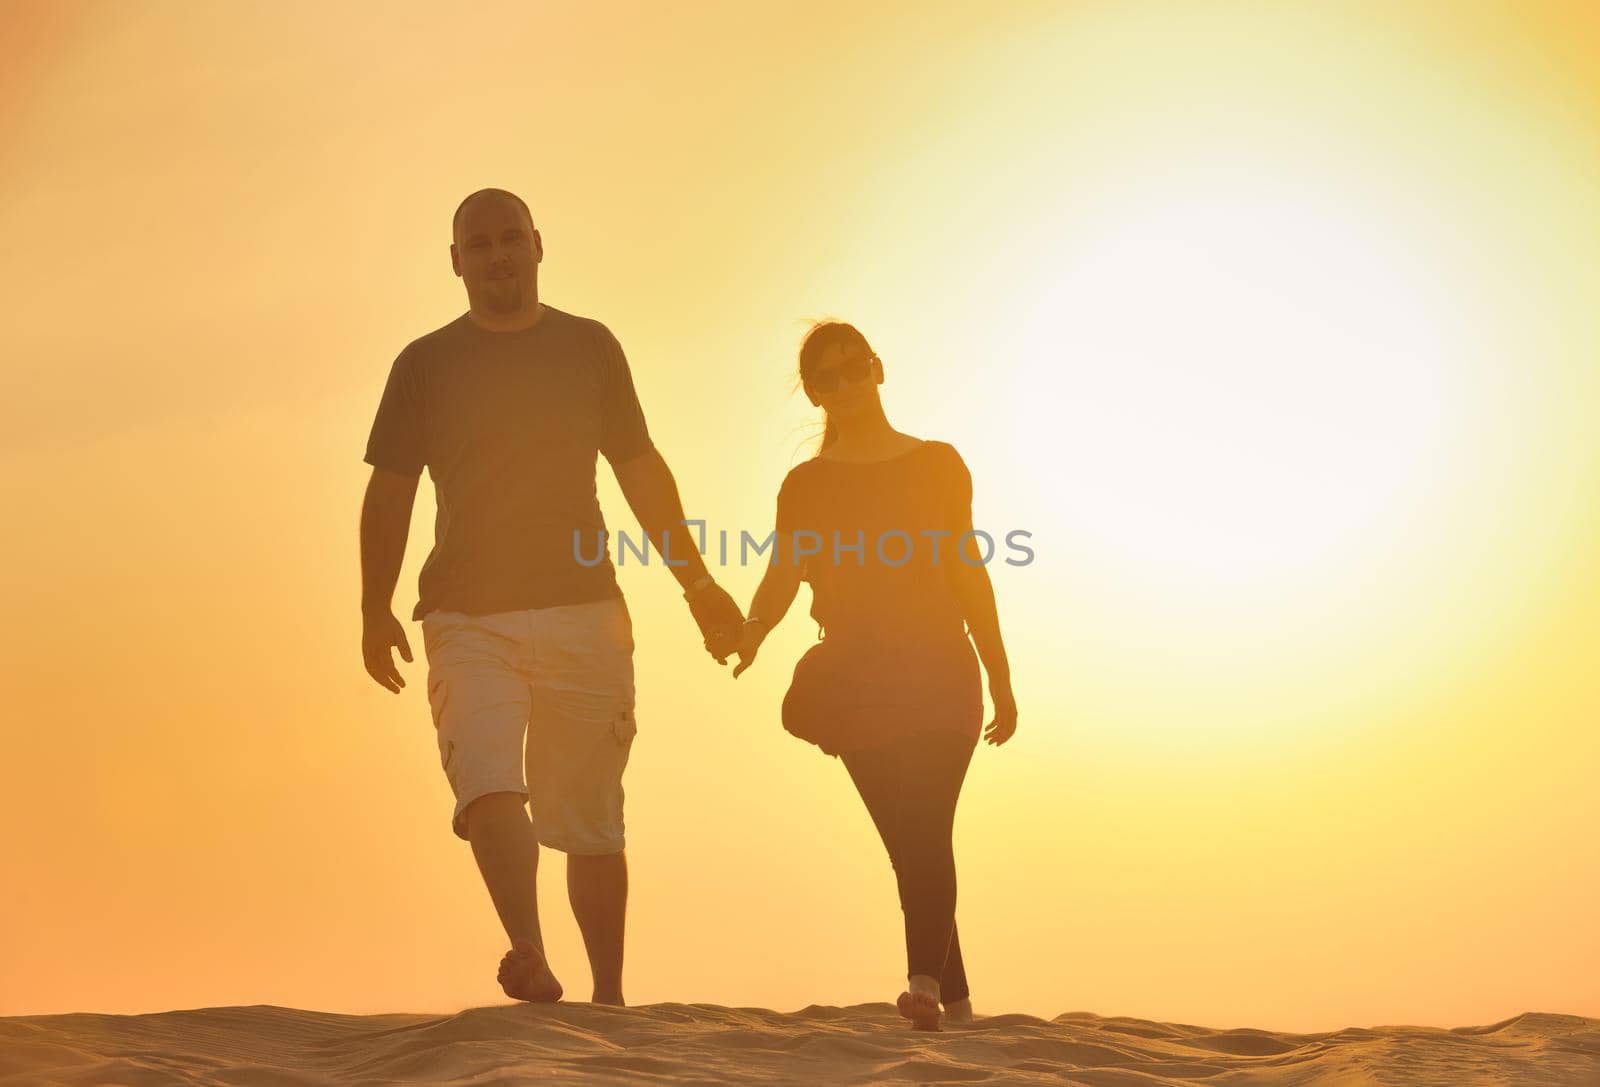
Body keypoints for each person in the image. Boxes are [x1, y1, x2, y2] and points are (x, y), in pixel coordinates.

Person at [358, 188, 743, 1006]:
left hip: (585, 610)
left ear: (538, 245)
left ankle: (609, 995)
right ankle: (529, 950)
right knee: (488, 778)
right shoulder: (423, 365)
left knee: (592, 816)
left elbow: (639, 468)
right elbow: (390, 489)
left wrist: (698, 583)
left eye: (510, 238)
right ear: (455, 260)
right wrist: (372, 604)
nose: (498, 253)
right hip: (468, 615)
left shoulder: (590, 347)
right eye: (479, 243)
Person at [720, 320, 1019, 1031]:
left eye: (857, 367)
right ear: (815, 391)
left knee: (926, 829)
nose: (848, 383)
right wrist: (755, 630)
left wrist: (1001, 673)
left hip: (942, 665)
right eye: (830, 376)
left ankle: (920, 981)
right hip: (855, 679)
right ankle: (962, 1008)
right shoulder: (807, 485)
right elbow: (783, 573)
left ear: (878, 370)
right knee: (909, 845)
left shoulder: (940, 463)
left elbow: (967, 570)